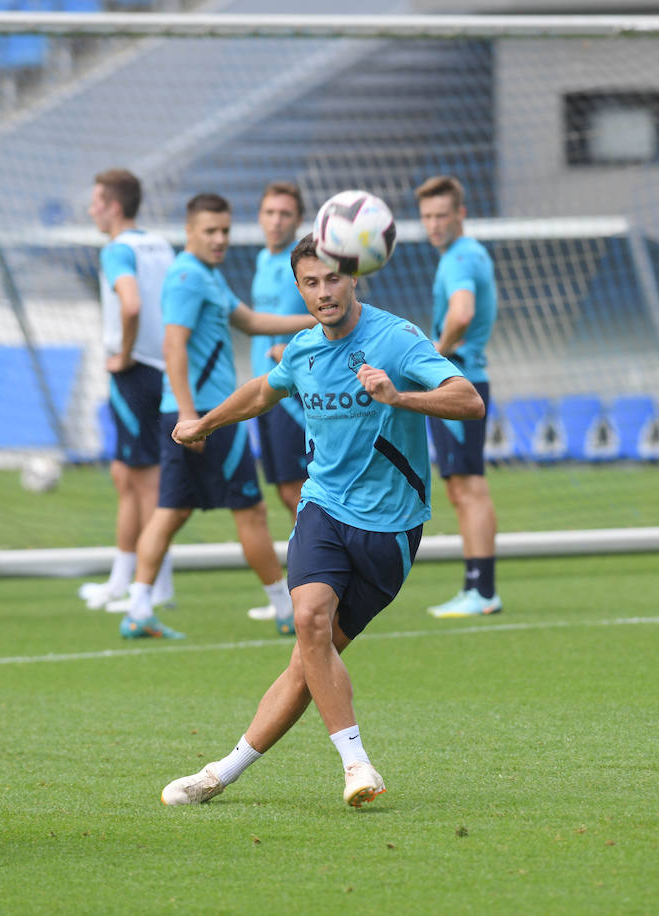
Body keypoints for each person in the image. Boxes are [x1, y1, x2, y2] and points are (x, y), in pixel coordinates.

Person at [159, 233, 484, 808]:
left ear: (355, 275)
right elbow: (264, 391)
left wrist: (397, 398)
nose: (323, 292)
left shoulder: (398, 339)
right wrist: (205, 423)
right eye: (310, 282)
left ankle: (220, 773)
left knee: (308, 662)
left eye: (332, 278)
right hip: (323, 509)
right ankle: (355, 763)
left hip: (391, 528)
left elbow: (468, 399)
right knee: (308, 622)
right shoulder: (303, 350)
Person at [117, 192, 316, 640]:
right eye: (210, 230)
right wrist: (192, 417)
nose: (220, 238)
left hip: (194, 412)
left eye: (225, 229)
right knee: (251, 511)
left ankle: (138, 608)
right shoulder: (187, 276)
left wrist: (313, 323)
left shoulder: (207, 275)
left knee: (170, 512)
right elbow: (173, 345)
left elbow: (249, 321)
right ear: (189, 232)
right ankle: (285, 610)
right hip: (207, 414)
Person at [76, 168, 177, 613]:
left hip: (135, 370)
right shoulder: (161, 244)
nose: (91, 208)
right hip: (165, 369)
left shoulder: (117, 250)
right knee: (125, 475)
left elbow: (130, 303)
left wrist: (125, 352)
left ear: (114, 206)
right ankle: (122, 579)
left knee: (145, 481)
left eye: (96, 200)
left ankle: (155, 585)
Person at [415, 175, 502, 617]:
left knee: (468, 488)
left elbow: (462, 312)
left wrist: (435, 355)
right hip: (464, 381)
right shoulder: (464, 255)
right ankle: (479, 588)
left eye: (441, 215)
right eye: (427, 216)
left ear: (460, 214)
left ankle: (482, 590)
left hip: (459, 384)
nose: (433, 224)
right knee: (463, 488)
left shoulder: (460, 258)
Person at [245, 182, 312, 623]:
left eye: (285, 214)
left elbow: (330, 314)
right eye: (270, 212)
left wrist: (293, 347)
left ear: (297, 220)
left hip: (293, 398)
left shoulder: (305, 265)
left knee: (300, 494)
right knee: (286, 491)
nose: (276, 220)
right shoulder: (261, 260)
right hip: (265, 396)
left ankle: (320, 585)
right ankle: (303, 590)